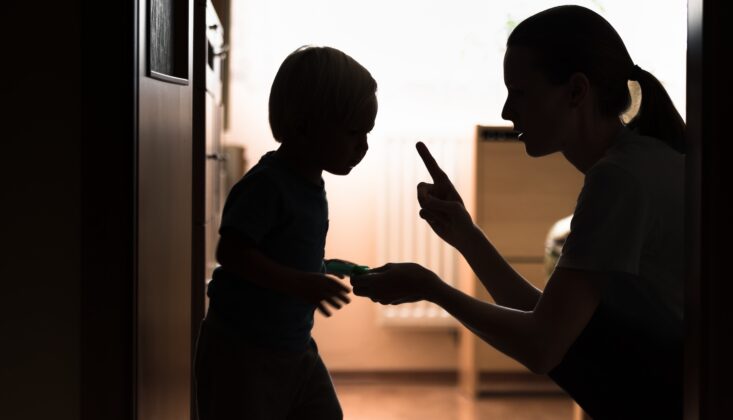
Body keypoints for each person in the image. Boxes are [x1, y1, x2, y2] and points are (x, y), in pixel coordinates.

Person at [351, 5, 684, 419]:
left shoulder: (619, 179)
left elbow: (541, 347)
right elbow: (546, 322)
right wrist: (466, 235)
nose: (508, 111)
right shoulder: (636, 161)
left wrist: (433, 289)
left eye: (520, 92)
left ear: (576, 92)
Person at [194, 45, 378, 420]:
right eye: (353, 132)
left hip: (292, 347)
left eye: (367, 133)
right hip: (243, 351)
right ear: (302, 126)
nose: (364, 146)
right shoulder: (267, 185)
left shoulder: (310, 185)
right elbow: (233, 253)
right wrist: (300, 283)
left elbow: (279, 251)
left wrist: (321, 266)